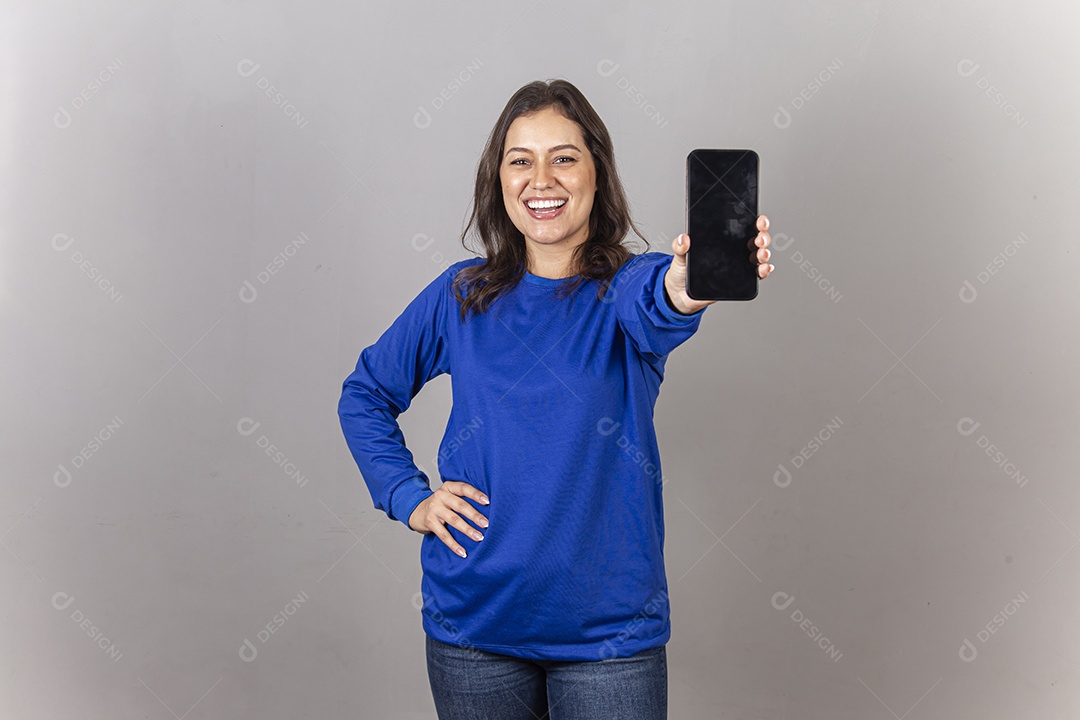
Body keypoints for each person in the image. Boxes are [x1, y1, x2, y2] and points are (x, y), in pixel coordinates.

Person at [338, 78, 774, 720]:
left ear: (598, 175)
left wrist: (689, 283)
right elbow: (366, 394)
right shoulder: (460, 295)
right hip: (473, 633)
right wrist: (411, 498)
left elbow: (660, 303)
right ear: (499, 180)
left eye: (564, 157)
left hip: (610, 640)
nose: (541, 179)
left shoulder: (627, 287)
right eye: (521, 160)